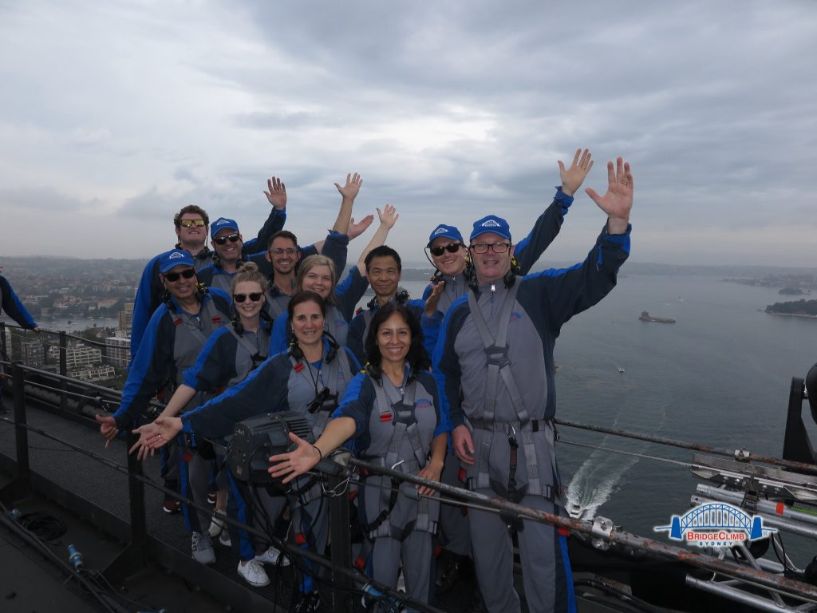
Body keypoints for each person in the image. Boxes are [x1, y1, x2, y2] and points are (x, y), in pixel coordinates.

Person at [434, 157, 634, 613]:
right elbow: (446, 373)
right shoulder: (456, 314)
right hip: (479, 446)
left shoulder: (539, 294)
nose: (488, 252)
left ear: (509, 251)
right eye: (480, 245)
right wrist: (457, 422)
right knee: (489, 560)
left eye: (497, 244)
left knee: (544, 558)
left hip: (533, 450)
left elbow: (594, 276)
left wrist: (617, 222)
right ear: (470, 252)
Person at [131, 291, 360, 609]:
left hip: (347, 465)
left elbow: (364, 404)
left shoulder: (347, 358)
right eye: (301, 318)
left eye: (315, 316)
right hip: (304, 467)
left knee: (344, 534)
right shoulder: (280, 367)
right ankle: (308, 592)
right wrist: (180, 422)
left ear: (325, 320)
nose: (309, 324)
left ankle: (327, 588)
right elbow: (237, 400)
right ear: (291, 324)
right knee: (310, 532)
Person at [270, 302, 449, 608]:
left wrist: (437, 462)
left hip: (422, 489)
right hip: (380, 494)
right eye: (386, 333)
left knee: (421, 579)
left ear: (412, 337)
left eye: (402, 332)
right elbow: (348, 417)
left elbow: (442, 425)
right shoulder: (364, 383)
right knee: (383, 576)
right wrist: (316, 450)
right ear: (375, 339)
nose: (395, 341)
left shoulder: (428, 382)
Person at [96, 249, 232, 521]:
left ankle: (226, 522)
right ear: (163, 280)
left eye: (186, 273)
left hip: (225, 403)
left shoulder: (220, 301)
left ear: (195, 273)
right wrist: (122, 417)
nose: (182, 281)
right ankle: (199, 533)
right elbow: (144, 374)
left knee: (229, 468)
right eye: (173, 276)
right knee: (194, 475)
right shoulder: (162, 319)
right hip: (187, 407)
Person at [130, 176, 287, 358]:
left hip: (225, 350)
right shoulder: (159, 264)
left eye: (198, 223)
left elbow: (262, 241)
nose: (193, 227)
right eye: (187, 223)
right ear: (177, 230)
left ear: (206, 231)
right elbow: (142, 314)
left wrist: (278, 211)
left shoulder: (221, 259)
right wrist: (137, 360)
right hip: (176, 352)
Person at [269, 204, 399, 352]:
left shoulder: (341, 301)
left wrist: (384, 228)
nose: (319, 283)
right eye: (312, 276)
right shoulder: (285, 320)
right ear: (301, 279)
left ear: (332, 282)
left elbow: (364, 265)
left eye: (325, 278)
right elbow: (275, 367)